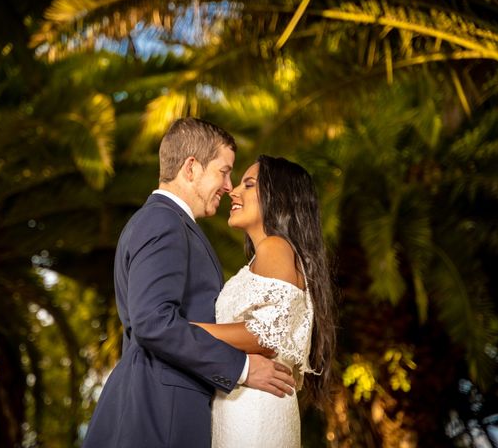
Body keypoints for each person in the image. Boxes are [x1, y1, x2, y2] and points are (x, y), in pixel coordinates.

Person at [81, 119, 296, 448]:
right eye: (223, 171)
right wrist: (241, 369)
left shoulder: (170, 223)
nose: (228, 186)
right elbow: (153, 323)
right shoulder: (163, 222)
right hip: (160, 415)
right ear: (191, 168)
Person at [192, 155, 337, 447]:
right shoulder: (266, 256)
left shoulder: (275, 247)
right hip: (245, 403)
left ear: (278, 197)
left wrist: (186, 330)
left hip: (255, 410)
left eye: (248, 185)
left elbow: (265, 334)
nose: (233, 191)